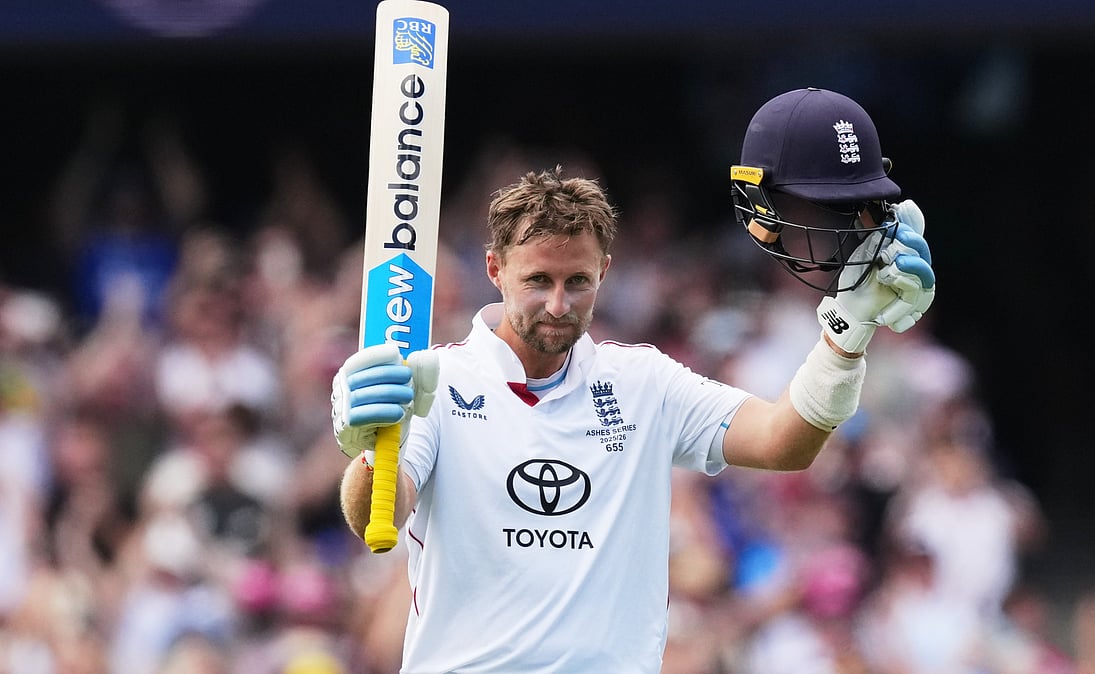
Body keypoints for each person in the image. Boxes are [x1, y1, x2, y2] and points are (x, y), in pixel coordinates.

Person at [331, 87, 936, 673]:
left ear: (606, 271)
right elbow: (374, 522)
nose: (560, 305)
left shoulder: (644, 382)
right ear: (495, 269)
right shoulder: (432, 382)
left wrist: (849, 330)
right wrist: (368, 451)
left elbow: (785, 442)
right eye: (538, 281)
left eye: (579, 282)